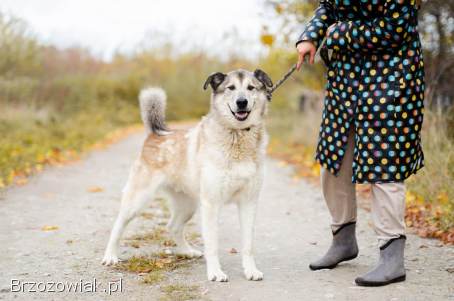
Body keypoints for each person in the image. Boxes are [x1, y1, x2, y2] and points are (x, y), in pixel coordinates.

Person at [295, 0, 424, 286]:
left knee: (384, 164)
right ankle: (343, 240)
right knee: (334, 158)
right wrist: (309, 36)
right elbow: (327, 6)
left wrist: (339, 33)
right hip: (345, 78)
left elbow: (394, 28)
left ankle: (392, 257)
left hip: (393, 76)